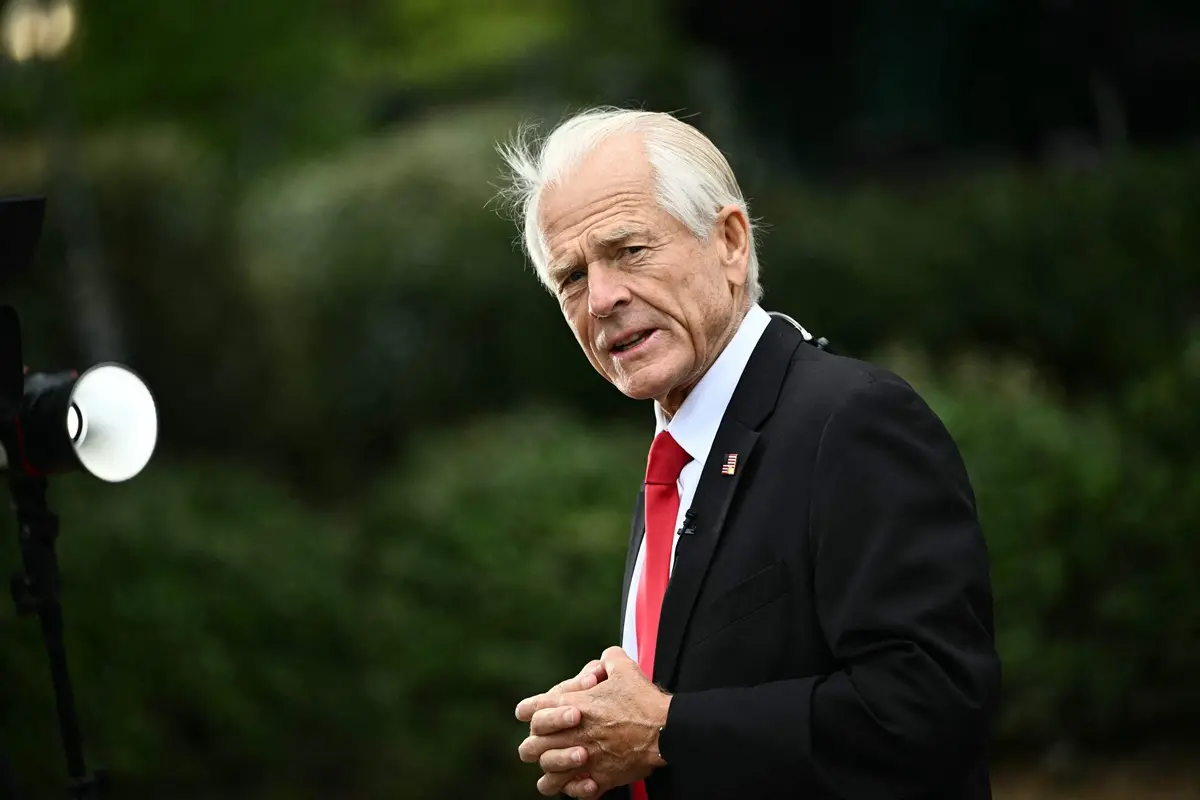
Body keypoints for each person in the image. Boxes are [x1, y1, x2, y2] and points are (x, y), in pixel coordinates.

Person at [494, 108, 1001, 799]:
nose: (603, 298)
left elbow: (932, 710)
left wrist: (667, 730)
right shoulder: (679, 455)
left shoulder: (852, 420)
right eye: (573, 277)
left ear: (730, 241)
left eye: (630, 250)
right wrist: (607, 733)